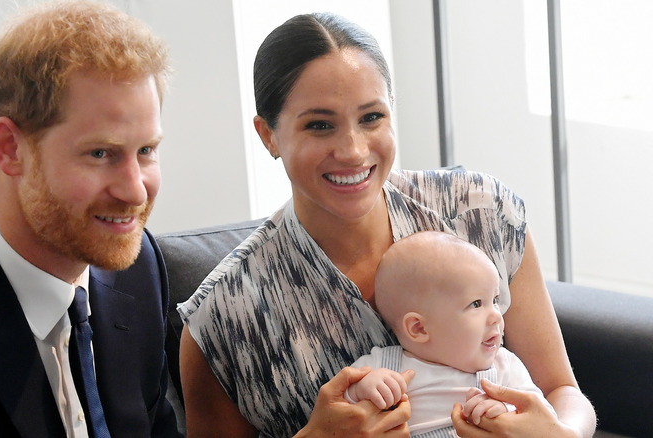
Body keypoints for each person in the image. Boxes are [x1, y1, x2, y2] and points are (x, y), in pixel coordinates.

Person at [178, 11, 596, 438]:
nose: (354, 151)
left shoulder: (481, 213)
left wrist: (564, 435)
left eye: (371, 117)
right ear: (268, 135)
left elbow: (561, 389)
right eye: (320, 125)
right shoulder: (223, 318)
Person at [0, 1, 180, 437]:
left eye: (146, 151)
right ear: (8, 148)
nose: (135, 190)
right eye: (100, 153)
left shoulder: (137, 269)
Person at [345, 231, 555, 437]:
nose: (496, 316)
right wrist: (360, 390)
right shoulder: (381, 367)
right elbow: (340, 412)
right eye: (476, 304)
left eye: (495, 300)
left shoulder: (505, 367)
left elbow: (541, 419)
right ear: (419, 328)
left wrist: (505, 412)